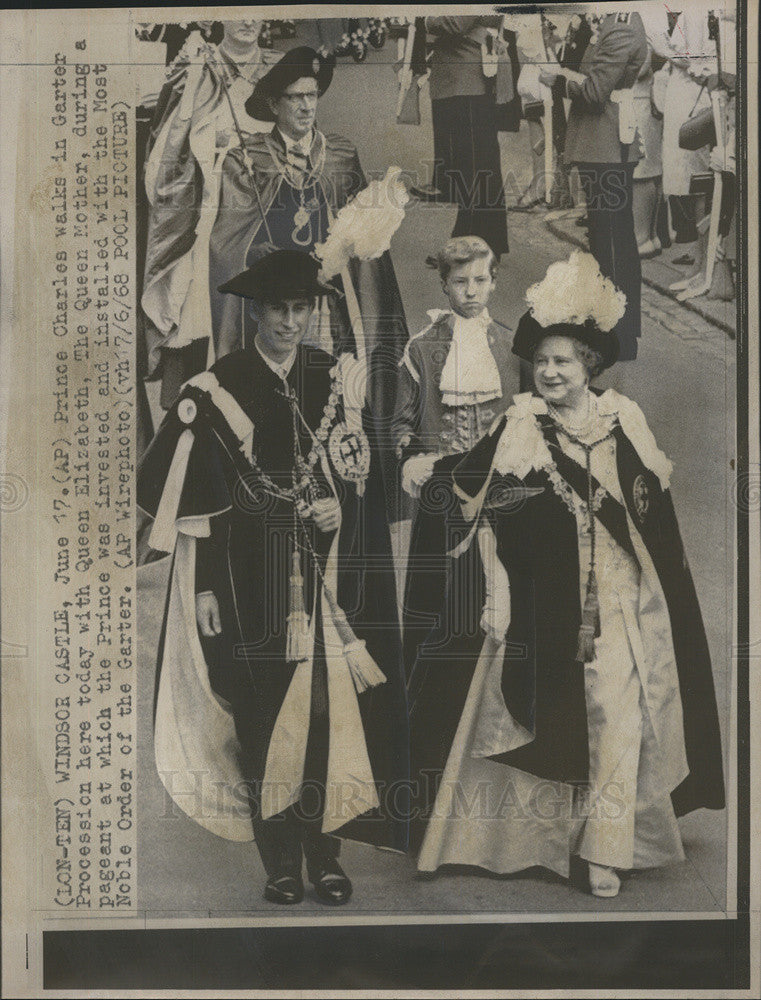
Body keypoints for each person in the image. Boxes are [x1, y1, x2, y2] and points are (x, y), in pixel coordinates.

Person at [410, 252, 725, 896]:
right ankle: (532, 836)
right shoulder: (520, 423)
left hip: (622, 598)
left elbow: (651, 516)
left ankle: (607, 846)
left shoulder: (624, 419)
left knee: (617, 712)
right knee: (549, 717)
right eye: (543, 361)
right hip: (542, 601)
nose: (550, 371)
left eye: (565, 361)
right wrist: (425, 477)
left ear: (591, 367)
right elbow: (474, 497)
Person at [137, 249, 409, 906]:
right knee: (259, 712)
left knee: (322, 712)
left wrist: (336, 504)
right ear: (254, 311)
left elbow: (353, 468)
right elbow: (193, 504)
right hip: (241, 576)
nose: (290, 322)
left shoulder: (330, 378)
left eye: (300, 309)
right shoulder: (217, 387)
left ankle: (325, 853)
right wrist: (201, 592)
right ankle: (280, 859)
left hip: (321, 575)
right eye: (278, 309)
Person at [209, 46, 410, 516]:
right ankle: (277, 494)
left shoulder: (340, 155)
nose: (305, 107)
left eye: (312, 96)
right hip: (280, 307)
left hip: (335, 308)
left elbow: (365, 238)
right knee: (284, 401)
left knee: (339, 400)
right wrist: (275, 264)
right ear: (274, 104)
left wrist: (353, 247)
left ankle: (348, 498)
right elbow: (227, 245)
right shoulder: (247, 159)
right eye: (295, 97)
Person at [389, 236, 517, 835]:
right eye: (461, 283)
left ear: (493, 281)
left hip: (502, 499)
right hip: (443, 503)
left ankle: (494, 759)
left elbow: (525, 413)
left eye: (481, 281)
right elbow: (403, 421)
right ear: (443, 285)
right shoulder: (422, 348)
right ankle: (425, 770)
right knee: (441, 619)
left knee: (499, 616)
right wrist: (415, 459)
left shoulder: (511, 342)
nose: (471, 292)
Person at [141, 19, 279, 409]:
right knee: (201, 292)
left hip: (261, 198)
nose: (248, 21)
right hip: (208, 201)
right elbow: (169, 151)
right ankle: (195, 409)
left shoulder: (276, 69)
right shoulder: (197, 69)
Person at [540, 11, 649, 361]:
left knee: (612, 241)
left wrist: (555, 81)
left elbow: (595, 91)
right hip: (599, 143)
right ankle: (615, 327)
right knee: (607, 237)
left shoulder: (622, 22)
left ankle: (619, 333)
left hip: (607, 144)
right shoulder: (607, 19)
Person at [411, 16, 509, 259]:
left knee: (474, 169)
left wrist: (424, 19)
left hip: (467, 80)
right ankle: (487, 242)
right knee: (477, 167)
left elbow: (456, 23)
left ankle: (466, 244)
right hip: (458, 79)